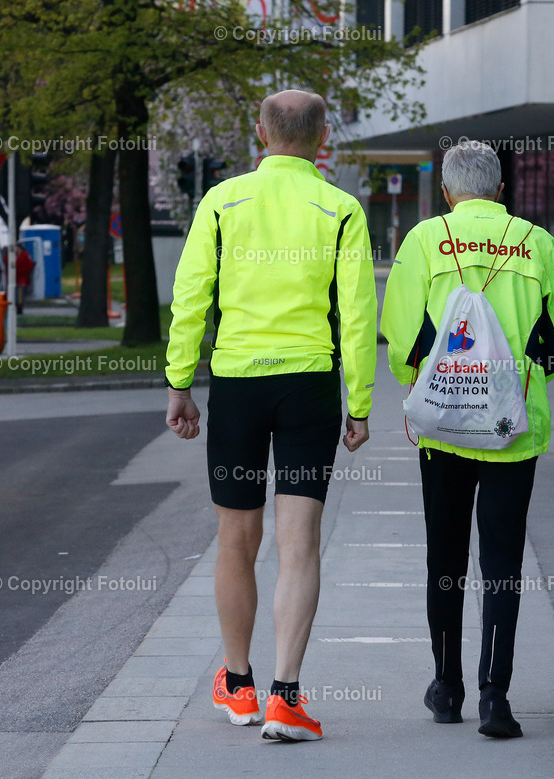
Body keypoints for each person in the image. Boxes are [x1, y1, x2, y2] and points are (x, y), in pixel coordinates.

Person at [164, 89, 377, 742]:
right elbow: (361, 313)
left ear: (260, 132)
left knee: (237, 537)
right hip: (309, 387)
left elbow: (191, 294)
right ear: (322, 140)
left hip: (236, 387)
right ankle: (287, 696)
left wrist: (179, 382)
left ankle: (238, 682)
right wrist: (360, 401)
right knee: (299, 542)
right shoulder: (341, 209)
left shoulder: (222, 203)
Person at [381, 141, 554, 738]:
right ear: (500, 190)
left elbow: (400, 337)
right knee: (501, 562)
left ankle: (446, 687)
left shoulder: (423, 241)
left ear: (446, 192)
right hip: (511, 431)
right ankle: (496, 695)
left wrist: (427, 384)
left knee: (444, 559)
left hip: (443, 432)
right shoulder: (536, 242)